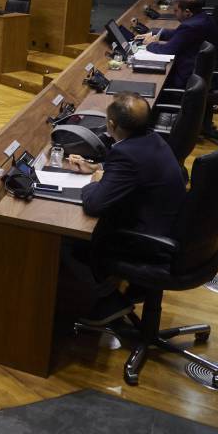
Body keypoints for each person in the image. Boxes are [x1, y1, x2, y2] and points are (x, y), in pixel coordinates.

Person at [63, 93, 186, 323]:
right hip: (170, 229)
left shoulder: (125, 154)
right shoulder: (153, 139)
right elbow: (131, 170)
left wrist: (93, 182)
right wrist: (96, 168)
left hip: (148, 242)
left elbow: (94, 204)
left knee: (66, 240)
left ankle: (106, 300)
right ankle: (120, 287)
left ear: (111, 125)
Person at [138, 0, 218, 88]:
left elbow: (168, 50)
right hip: (204, 73)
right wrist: (155, 34)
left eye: (176, 11)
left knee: (151, 80)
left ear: (187, 12)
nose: (174, 14)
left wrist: (150, 44)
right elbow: (180, 34)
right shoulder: (203, 17)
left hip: (191, 79)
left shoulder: (190, 26)